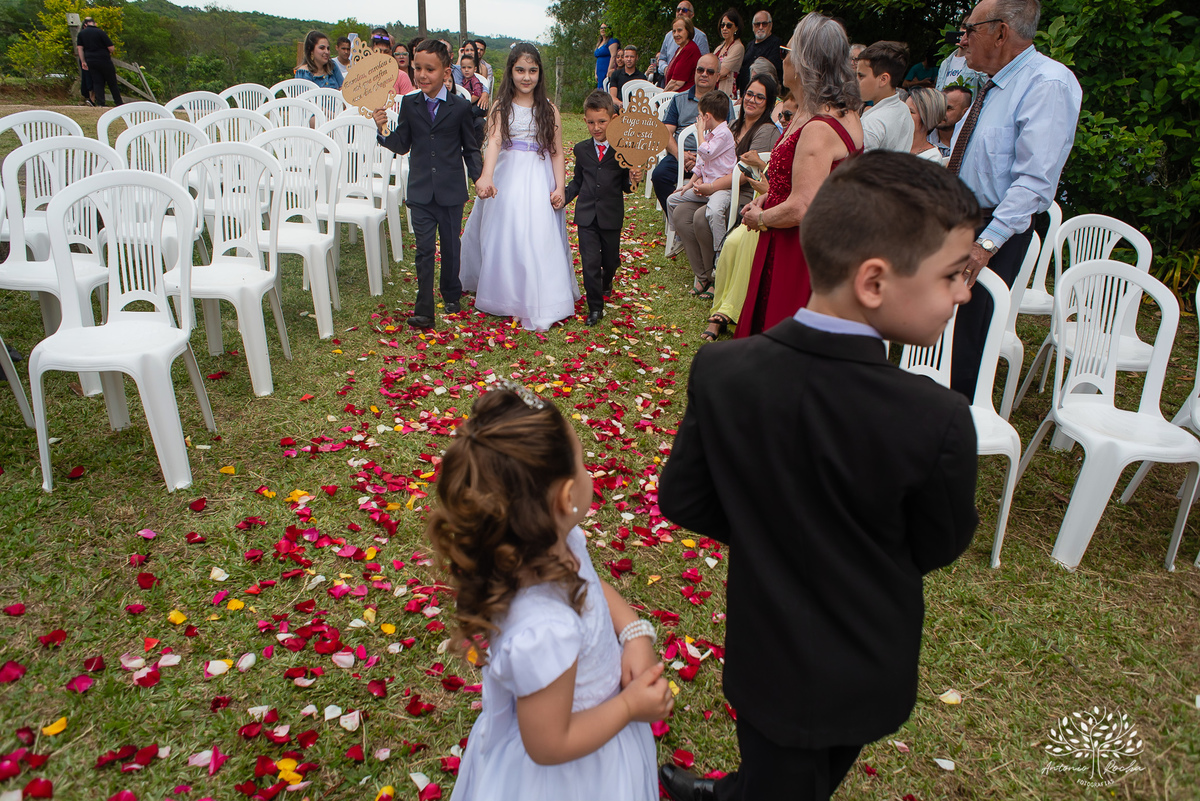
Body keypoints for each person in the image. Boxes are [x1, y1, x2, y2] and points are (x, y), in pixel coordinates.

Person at [656, 150, 980, 801]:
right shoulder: (935, 418)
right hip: (866, 659)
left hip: (766, 653)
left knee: (787, 773)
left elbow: (684, 496)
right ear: (874, 281)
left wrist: (766, 523)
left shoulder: (723, 371)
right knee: (799, 779)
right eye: (954, 275)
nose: (965, 294)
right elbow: (938, 541)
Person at [429, 385, 672, 801]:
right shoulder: (545, 628)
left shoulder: (551, 542)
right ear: (565, 497)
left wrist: (633, 632)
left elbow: (592, 588)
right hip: (573, 777)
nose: (587, 471)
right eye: (581, 463)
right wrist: (631, 707)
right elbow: (549, 744)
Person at [948, 0, 1082, 400]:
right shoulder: (990, 84)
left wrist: (986, 243)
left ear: (1001, 32)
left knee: (968, 340)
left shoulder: (1047, 84)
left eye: (970, 29)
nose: (963, 39)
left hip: (990, 233)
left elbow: (1034, 182)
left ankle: (954, 425)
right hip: (958, 220)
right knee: (942, 327)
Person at [734, 13, 864, 339]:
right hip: (794, 236)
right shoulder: (826, 112)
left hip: (797, 248)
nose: (784, 59)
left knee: (782, 335)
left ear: (806, 61)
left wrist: (760, 217)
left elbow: (802, 207)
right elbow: (797, 181)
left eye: (787, 51)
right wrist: (768, 194)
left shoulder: (820, 127)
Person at [460, 43, 578, 332]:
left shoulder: (549, 109)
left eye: (533, 71)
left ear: (540, 73)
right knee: (506, 229)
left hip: (539, 176)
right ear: (510, 72)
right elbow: (495, 142)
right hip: (508, 172)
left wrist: (560, 188)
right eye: (520, 70)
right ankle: (505, 292)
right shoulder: (501, 106)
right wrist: (487, 177)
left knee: (538, 232)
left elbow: (557, 151)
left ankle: (541, 293)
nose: (527, 77)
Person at [373, 39, 482, 329]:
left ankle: (450, 292)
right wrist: (383, 129)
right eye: (417, 68)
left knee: (449, 246)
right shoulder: (410, 103)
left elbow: (470, 149)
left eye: (429, 69)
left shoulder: (459, 107)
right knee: (423, 250)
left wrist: (480, 178)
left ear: (446, 72)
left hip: (450, 191)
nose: (422, 75)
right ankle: (424, 308)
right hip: (420, 190)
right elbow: (403, 144)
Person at [703, 75, 781, 341]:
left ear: (769, 103)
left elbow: (748, 173)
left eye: (760, 96)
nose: (752, 100)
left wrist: (759, 169)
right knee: (730, 242)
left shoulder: (769, 131)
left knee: (735, 240)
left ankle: (724, 311)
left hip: (755, 195)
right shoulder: (734, 124)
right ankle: (716, 303)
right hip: (752, 195)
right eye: (749, 93)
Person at [565, 91, 639, 327]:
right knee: (589, 263)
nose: (596, 127)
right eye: (590, 122)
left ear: (613, 119)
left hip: (610, 215)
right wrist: (563, 197)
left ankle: (607, 282)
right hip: (586, 214)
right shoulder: (581, 150)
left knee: (610, 260)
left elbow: (626, 186)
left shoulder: (623, 150)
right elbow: (578, 180)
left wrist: (633, 178)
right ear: (585, 121)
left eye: (601, 122)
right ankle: (595, 306)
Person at [668, 90, 738, 299]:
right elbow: (700, 165)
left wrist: (699, 132)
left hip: (720, 188)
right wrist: (688, 185)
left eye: (700, 117)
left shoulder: (724, 134)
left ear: (707, 116)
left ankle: (719, 251)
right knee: (672, 199)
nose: (699, 121)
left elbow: (705, 152)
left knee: (714, 212)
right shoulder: (709, 135)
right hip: (703, 185)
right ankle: (679, 236)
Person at [651, 54, 734, 220]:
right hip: (682, 155)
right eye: (700, 69)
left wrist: (702, 158)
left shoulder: (724, 102)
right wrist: (681, 156)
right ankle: (677, 224)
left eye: (710, 71)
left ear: (718, 76)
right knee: (659, 175)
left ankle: (696, 219)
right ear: (694, 72)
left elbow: (731, 134)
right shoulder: (678, 99)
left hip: (714, 159)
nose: (704, 74)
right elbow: (666, 133)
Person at [857, 41, 912, 152]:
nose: (856, 81)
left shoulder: (872, 124)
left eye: (861, 76)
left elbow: (860, 167)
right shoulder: (903, 109)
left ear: (883, 79)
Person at [75, 16, 122, 107]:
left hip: (90, 60)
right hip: (104, 59)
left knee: (97, 82)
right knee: (112, 81)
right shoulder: (100, 32)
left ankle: (101, 103)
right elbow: (111, 48)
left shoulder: (81, 34)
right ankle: (118, 102)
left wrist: (83, 61)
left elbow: (80, 49)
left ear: (85, 24)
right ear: (94, 23)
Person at [658, 1, 709, 77]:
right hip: (668, 79)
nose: (680, 12)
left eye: (684, 10)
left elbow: (705, 63)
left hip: (689, 81)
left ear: (692, 15)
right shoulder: (668, 36)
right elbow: (661, 59)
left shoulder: (700, 37)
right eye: (678, 10)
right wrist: (665, 68)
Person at [737, 10, 783, 94]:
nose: (760, 27)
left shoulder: (776, 44)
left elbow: (772, 72)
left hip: (764, 94)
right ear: (753, 27)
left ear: (770, 25)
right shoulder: (750, 45)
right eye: (757, 24)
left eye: (764, 24)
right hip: (745, 94)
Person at [936, 27, 987, 92]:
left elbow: (987, 84)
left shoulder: (976, 62)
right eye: (964, 27)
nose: (965, 35)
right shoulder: (945, 62)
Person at [907, 86, 948, 163]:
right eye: (904, 108)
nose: (904, 114)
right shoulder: (894, 143)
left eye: (911, 112)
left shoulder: (932, 157)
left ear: (926, 119)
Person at [930, 84, 971, 158]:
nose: (940, 112)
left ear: (965, 113)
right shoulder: (922, 141)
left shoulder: (970, 145)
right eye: (939, 106)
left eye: (948, 108)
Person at [663, 18, 702, 92]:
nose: (676, 34)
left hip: (684, 97)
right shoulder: (680, 49)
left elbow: (677, 83)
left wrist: (660, 98)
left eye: (679, 30)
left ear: (688, 31)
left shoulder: (689, 50)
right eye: (674, 31)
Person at [713, 9, 745, 98]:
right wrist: (716, 75)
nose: (725, 28)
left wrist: (715, 75)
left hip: (726, 91)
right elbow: (709, 68)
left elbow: (722, 71)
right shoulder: (719, 48)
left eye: (729, 25)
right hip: (713, 90)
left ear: (736, 28)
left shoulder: (738, 47)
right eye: (722, 25)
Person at [594, 23, 620, 89]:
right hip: (600, 71)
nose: (603, 30)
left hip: (607, 68)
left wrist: (609, 70)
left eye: (605, 28)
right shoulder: (600, 42)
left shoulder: (612, 40)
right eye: (601, 28)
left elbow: (613, 56)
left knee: (607, 87)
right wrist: (595, 72)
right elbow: (598, 58)